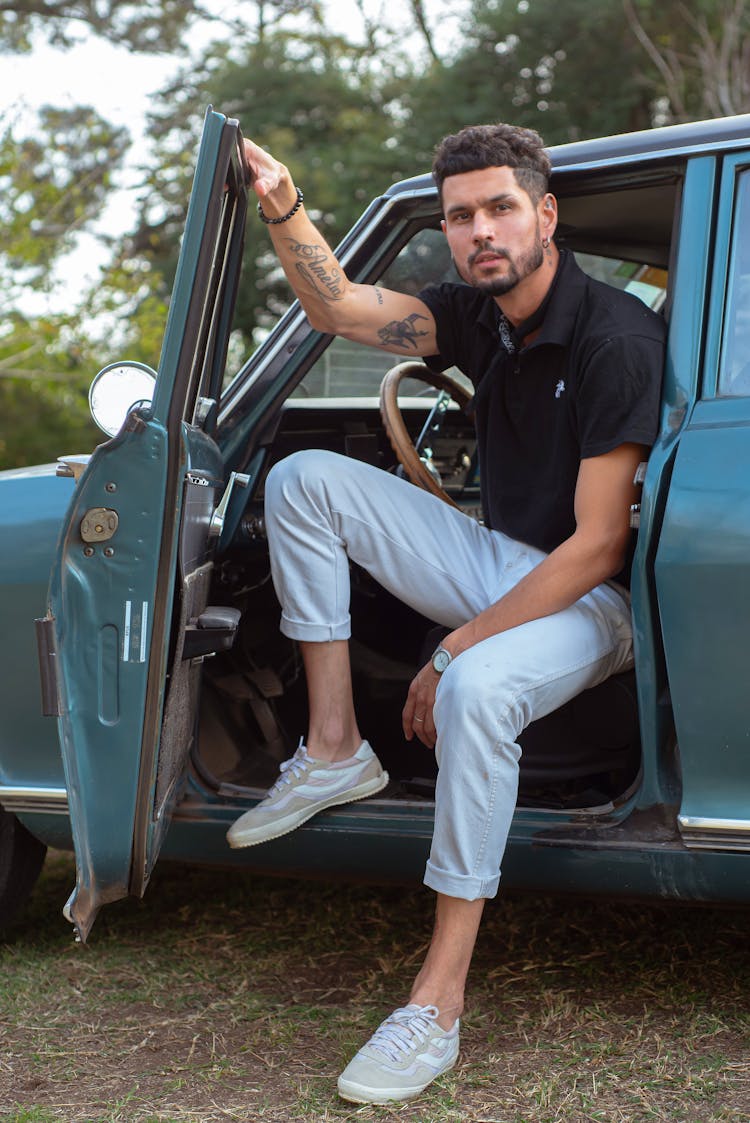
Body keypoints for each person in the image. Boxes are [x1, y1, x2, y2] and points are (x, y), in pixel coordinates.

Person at [227, 123, 666, 1105]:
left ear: (545, 216)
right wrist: (285, 202)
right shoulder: (479, 317)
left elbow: (596, 546)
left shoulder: (614, 338)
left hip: (598, 600)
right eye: (461, 215)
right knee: (303, 479)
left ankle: (435, 1005)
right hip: (509, 563)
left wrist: (452, 646)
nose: (480, 230)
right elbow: (339, 307)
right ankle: (335, 744)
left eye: (500, 207)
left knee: (471, 686)